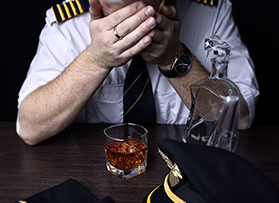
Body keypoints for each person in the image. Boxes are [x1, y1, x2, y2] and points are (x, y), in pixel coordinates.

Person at [17, 0, 259, 145]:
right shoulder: (68, 23)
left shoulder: (210, 12)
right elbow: (30, 127)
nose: (132, 25)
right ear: (95, 3)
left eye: (143, 9)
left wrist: (173, 58)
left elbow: (240, 119)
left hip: (189, 176)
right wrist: (95, 60)